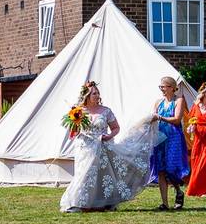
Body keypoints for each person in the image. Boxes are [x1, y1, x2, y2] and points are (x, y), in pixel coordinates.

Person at [60, 81, 164, 213]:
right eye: (94, 93)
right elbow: (73, 131)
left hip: (102, 146)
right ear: (86, 96)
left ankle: (105, 202)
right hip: (85, 147)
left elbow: (116, 128)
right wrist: (74, 121)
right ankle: (78, 203)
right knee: (84, 173)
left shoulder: (105, 111)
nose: (97, 95)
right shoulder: (78, 111)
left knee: (102, 175)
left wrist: (109, 136)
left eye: (98, 93)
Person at [149, 76, 191, 210]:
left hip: (174, 138)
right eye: (160, 87)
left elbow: (177, 119)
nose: (162, 89)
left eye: (164, 86)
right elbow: (152, 117)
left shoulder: (179, 101)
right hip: (160, 138)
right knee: (161, 169)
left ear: (172, 88)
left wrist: (160, 117)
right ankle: (165, 203)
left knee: (170, 168)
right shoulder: (158, 102)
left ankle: (178, 190)